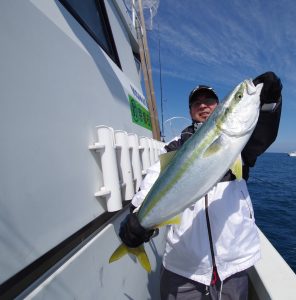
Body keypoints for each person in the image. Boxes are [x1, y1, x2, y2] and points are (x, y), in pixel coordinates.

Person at [119, 72, 283, 299]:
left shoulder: (240, 146)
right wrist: (137, 216)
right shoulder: (173, 148)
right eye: (197, 102)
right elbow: (153, 181)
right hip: (183, 267)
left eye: (210, 101)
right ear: (190, 111)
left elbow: (263, 135)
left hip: (233, 264)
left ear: (219, 107)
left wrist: (271, 104)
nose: (204, 106)